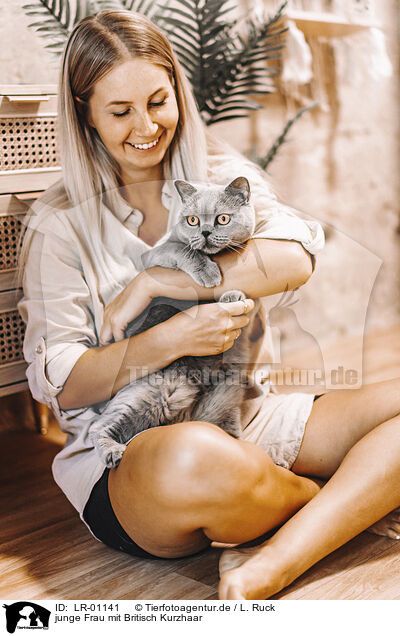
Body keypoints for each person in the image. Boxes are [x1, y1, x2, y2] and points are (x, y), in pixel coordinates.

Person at [18, 10, 400, 600]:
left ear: (177, 94)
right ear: (85, 114)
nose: (145, 126)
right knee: (195, 457)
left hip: (244, 415)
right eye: (119, 112)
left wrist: (160, 281)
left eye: (157, 101)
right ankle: (333, 504)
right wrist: (171, 338)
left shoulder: (217, 174)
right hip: (134, 452)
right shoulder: (60, 226)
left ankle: (271, 555)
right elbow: (64, 387)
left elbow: (297, 257)